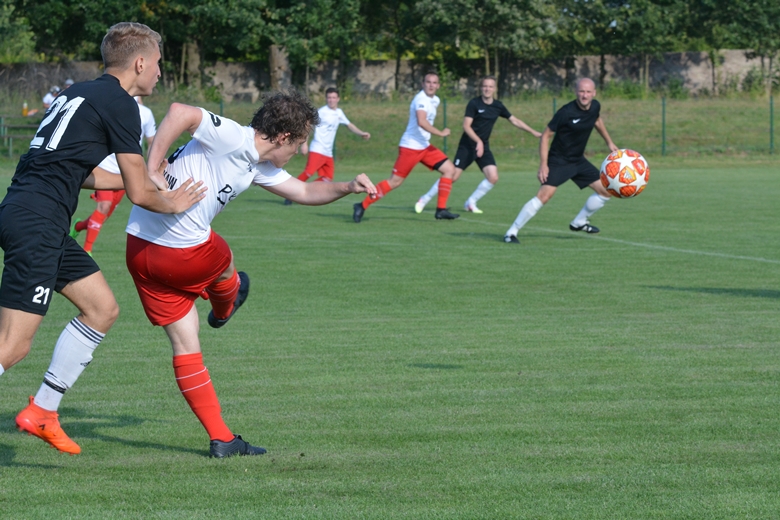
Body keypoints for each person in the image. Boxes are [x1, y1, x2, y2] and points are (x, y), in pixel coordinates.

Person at [125, 91, 376, 458]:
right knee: (224, 258)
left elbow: (304, 190)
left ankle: (223, 439)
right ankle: (227, 305)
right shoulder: (232, 136)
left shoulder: (259, 165)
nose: (301, 152)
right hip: (183, 252)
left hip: (139, 252)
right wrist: (152, 167)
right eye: (300, 142)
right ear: (283, 137)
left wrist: (348, 187)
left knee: (186, 341)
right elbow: (180, 112)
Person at [0, 22, 205, 455]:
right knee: (12, 346)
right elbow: (139, 194)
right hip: (37, 222)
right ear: (140, 62)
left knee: (102, 308)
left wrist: (150, 181)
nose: (160, 74)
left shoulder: (79, 92)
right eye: (160, 65)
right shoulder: (122, 104)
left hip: (34, 215)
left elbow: (81, 168)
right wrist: (173, 201)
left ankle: (43, 411)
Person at [504, 78, 618, 244]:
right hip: (559, 160)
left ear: (594, 93)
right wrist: (543, 164)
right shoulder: (566, 112)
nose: (584, 95)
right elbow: (545, 136)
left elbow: (597, 120)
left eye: (588, 92)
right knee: (544, 196)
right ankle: (511, 232)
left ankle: (579, 222)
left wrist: (609, 142)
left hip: (578, 160)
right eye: (581, 91)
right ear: (576, 92)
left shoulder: (595, 106)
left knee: (606, 190)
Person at [414, 76, 542, 215]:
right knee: (453, 176)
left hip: (483, 146)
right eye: (485, 86)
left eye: (490, 86)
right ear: (481, 88)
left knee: (493, 177)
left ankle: (471, 202)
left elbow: (514, 120)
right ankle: (424, 199)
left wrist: (533, 132)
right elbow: (466, 126)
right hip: (468, 145)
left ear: (494, 89)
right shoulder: (474, 103)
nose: (487, 89)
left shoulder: (498, 106)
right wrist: (478, 141)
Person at [352, 71, 459, 223]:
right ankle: (361, 205)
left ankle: (441, 210)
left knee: (449, 169)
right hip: (410, 147)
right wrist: (440, 133)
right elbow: (422, 121)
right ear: (423, 84)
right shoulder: (420, 99)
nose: (431, 85)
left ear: (438, 85)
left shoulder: (435, 100)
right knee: (394, 182)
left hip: (424, 146)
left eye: (434, 83)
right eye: (428, 82)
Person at [70, 96, 157, 255]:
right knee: (104, 206)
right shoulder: (112, 107)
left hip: (126, 171)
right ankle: (87, 250)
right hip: (103, 167)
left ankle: (79, 226)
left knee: (104, 215)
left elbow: (151, 141)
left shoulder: (146, 113)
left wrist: (149, 166)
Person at [283, 87, 370, 204]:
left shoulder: (339, 113)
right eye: (329, 97)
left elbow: (349, 125)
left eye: (334, 97)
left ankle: (310, 191)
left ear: (338, 99)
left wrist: (361, 133)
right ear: (326, 99)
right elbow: (309, 127)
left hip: (328, 152)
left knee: (327, 178)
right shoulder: (321, 112)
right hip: (318, 149)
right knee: (308, 173)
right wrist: (304, 144)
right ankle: (289, 194)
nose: (331, 100)